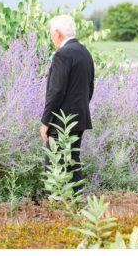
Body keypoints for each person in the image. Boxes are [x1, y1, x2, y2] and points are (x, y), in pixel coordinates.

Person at [41, 14, 95, 187]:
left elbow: (56, 91)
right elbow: (90, 87)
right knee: (73, 163)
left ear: (57, 33)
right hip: (79, 120)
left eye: (51, 33)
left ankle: (55, 207)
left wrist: (46, 122)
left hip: (61, 123)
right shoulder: (85, 53)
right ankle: (76, 205)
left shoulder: (61, 55)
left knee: (54, 166)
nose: (51, 38)